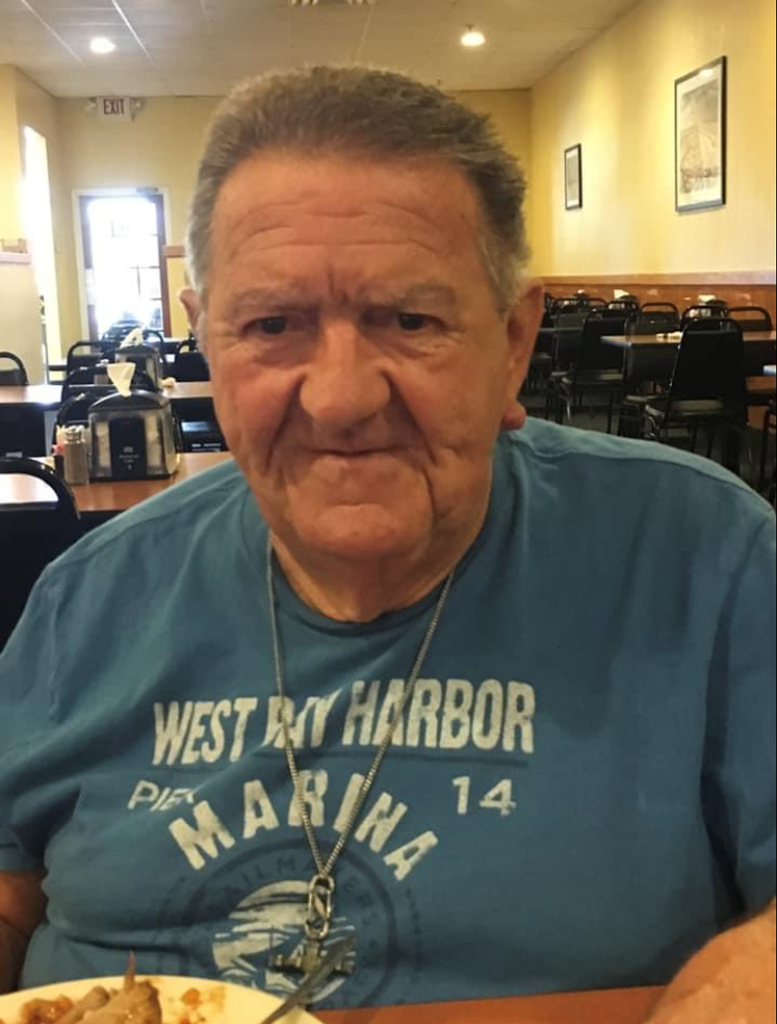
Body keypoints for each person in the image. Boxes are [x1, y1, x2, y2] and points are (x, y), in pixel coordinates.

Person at [0, 67, 774, 1021]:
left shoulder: (704, 556)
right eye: (272, 325)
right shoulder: (89, 594)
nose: (339, 398)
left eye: (410, 321)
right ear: (209, 343)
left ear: (512, 345)